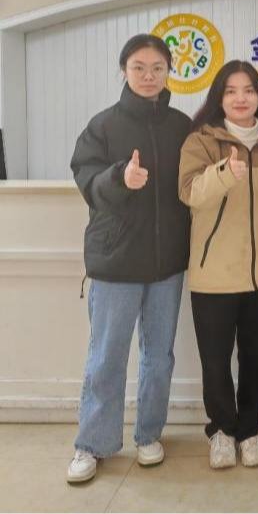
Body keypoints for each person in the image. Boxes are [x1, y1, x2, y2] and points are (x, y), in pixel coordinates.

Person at [68, 34, 191, 483]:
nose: (148, 76)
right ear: (124, 70)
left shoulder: (181, 126)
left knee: (159, 356)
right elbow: (86, 179)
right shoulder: (103, 125)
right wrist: (121, 177)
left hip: (166, 264)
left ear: (169, 72)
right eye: (139, 67)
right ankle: (92, 444)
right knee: (107, 356)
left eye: (157, 68)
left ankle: (149, 434)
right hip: (116, 261)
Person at [178, 60, 258, 470]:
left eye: (249, 90)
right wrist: (225, 172)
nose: (241, 98)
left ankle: (251, 430)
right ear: (218, 98)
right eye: (231, 91)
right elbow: (189, 192)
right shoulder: (201, 140)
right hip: (214, 274)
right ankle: (222, 430)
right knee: (216, 361)